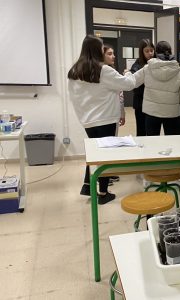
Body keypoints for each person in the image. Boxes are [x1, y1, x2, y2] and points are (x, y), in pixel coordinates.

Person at [67, 35, 136, 204]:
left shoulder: (75, 70)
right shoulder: (103, 69)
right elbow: (128, 85)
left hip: (87, 119)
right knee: (105, 157)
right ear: (96, 49)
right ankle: (104, 194)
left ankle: (87, 187)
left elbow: (74, 96)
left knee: (94, 154)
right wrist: (130, 74)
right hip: (105, 118)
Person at [133, 41, 180, 136]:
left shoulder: (147, 69)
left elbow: (133, 82)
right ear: (170, 52)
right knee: (171, 143)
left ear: (156, 52)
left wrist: (127, 73)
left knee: (152, 142)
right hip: (172, 112)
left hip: (151, 112)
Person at [103, 44, 124, 185]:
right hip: (106, 115)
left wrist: (122, 113)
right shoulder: (104, 72)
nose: (113, 56)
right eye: (109, 54)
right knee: (106, 145)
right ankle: (103, 178)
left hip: (114, 112)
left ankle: (108, 174)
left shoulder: (111, 71)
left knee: (112, 142)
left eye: (113, 53)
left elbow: (120, 95)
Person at [130, 39, 155, 137]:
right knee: (141, 131)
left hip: (153, 103)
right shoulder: (137, 65)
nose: (150, 53)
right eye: (147, 51)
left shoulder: (156, 63)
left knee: (152, 131)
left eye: (151, 50)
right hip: (140, 103)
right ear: (142, 52)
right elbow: (133, 85)